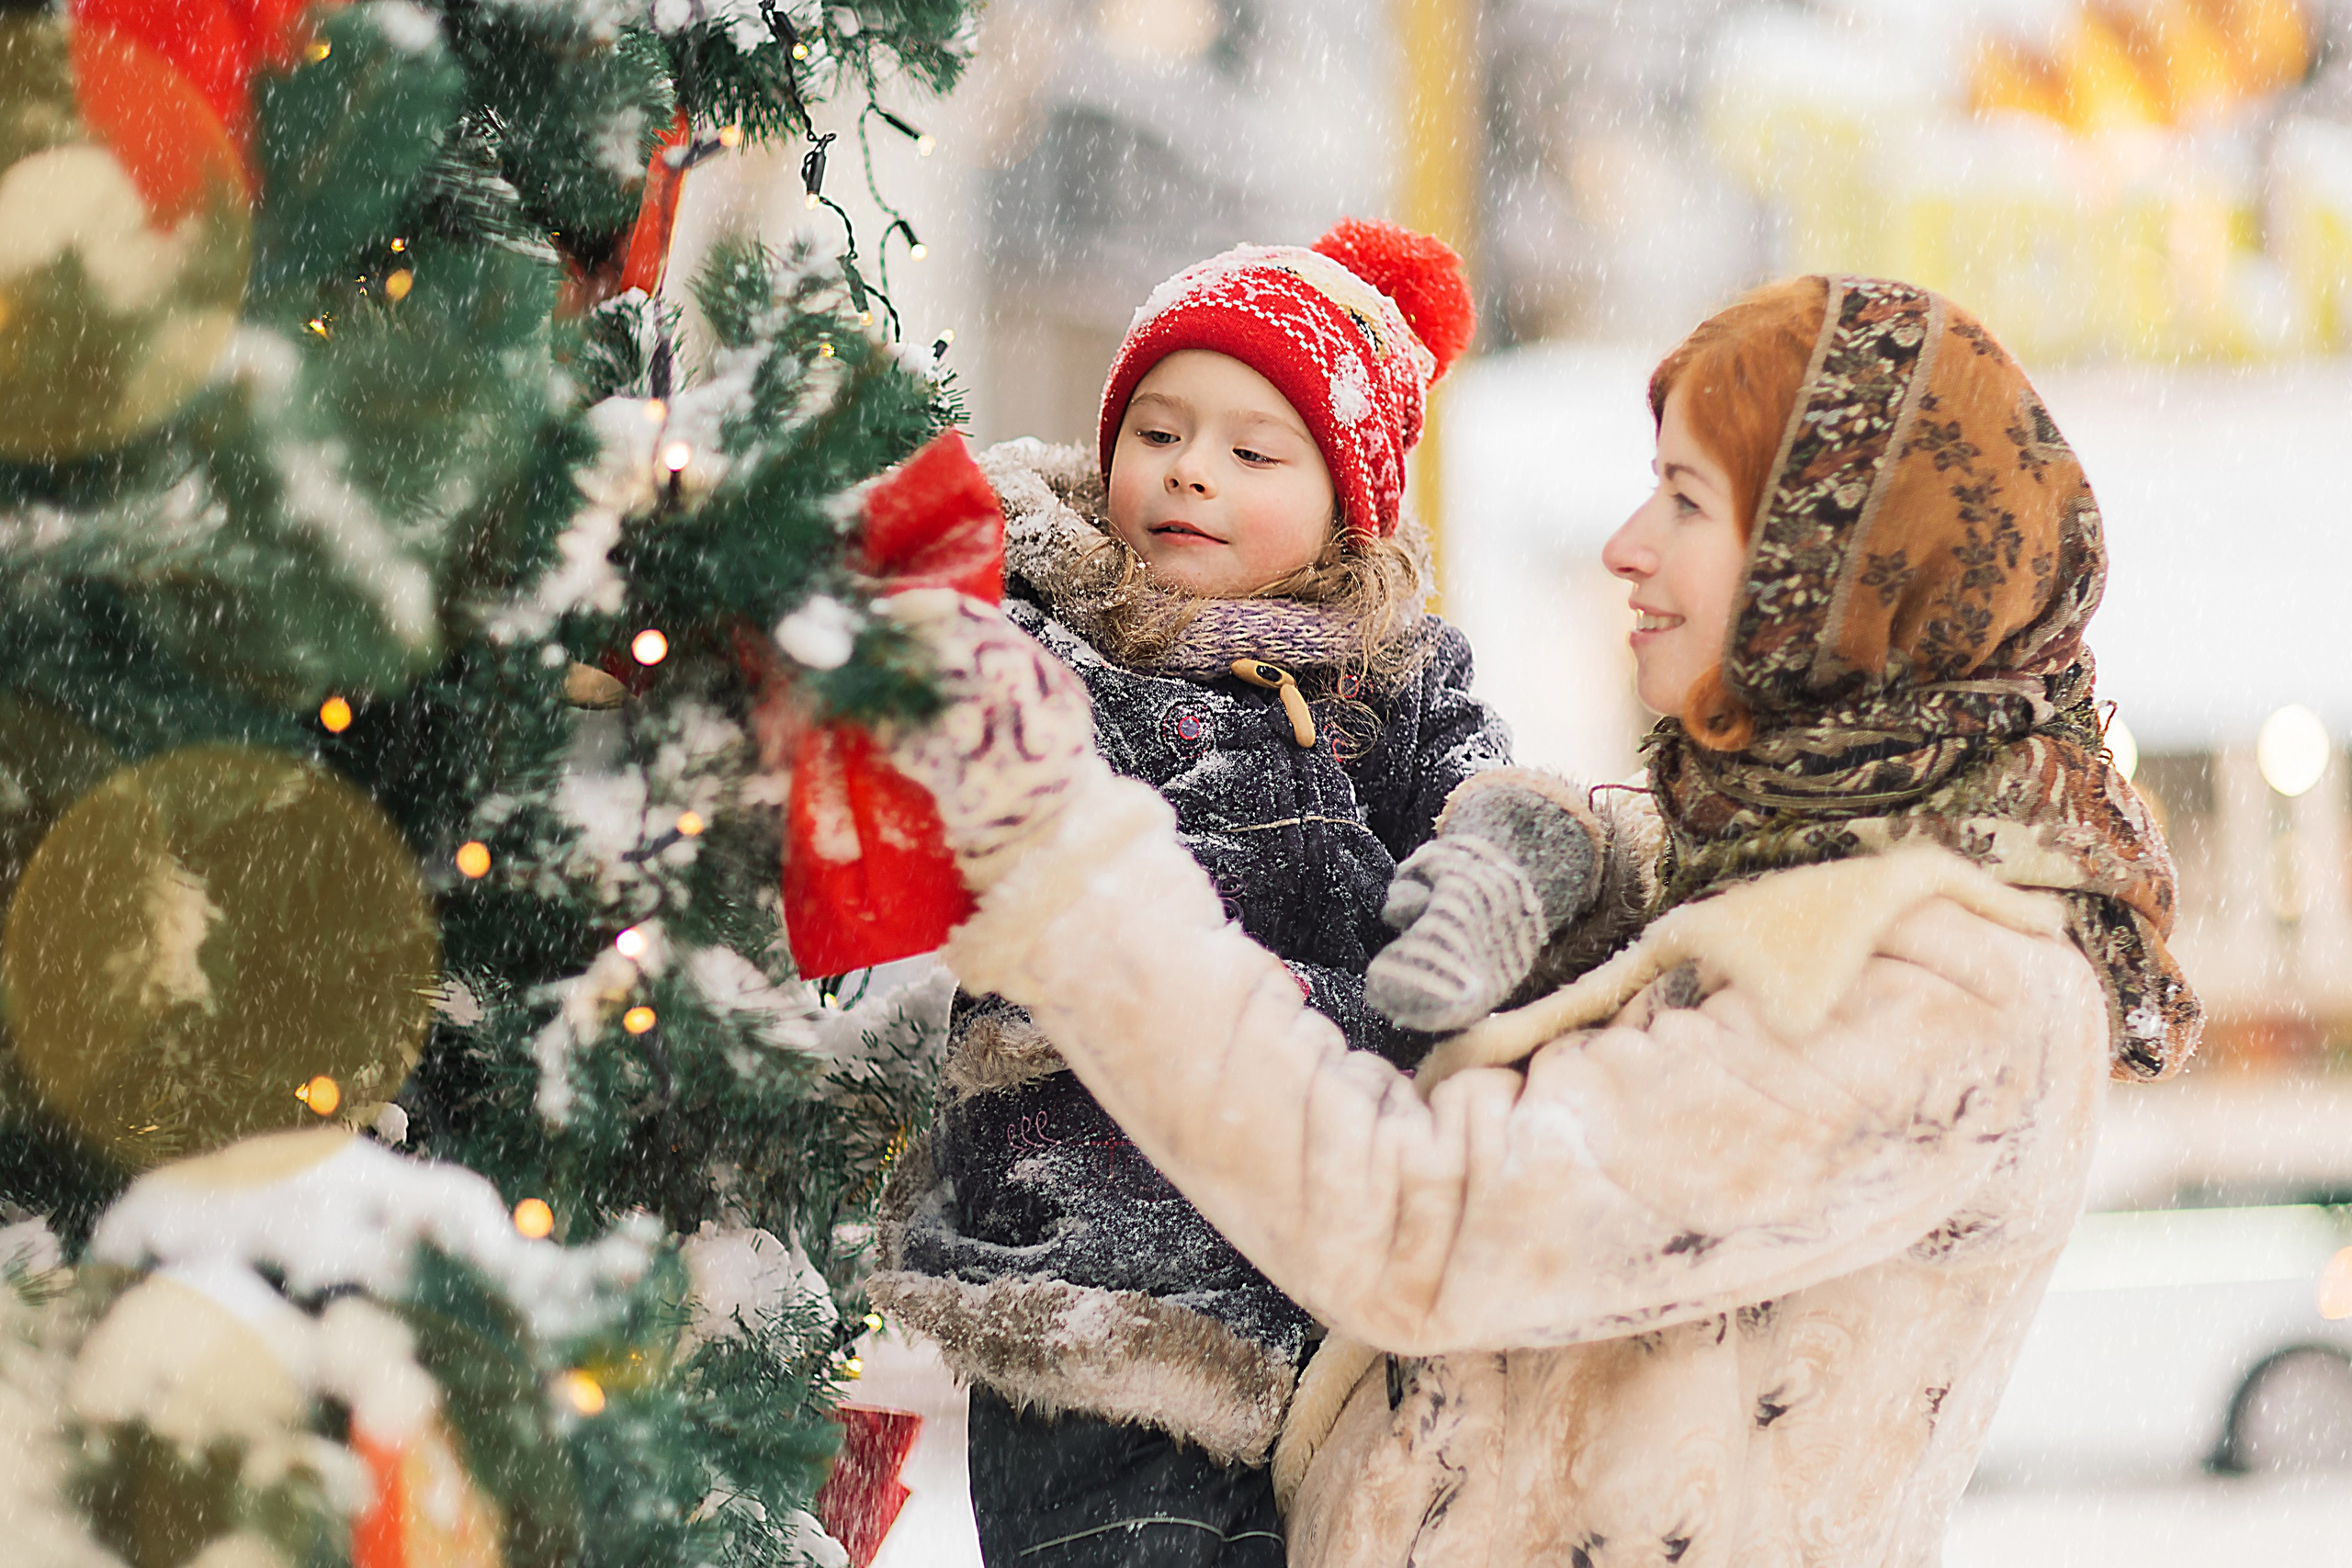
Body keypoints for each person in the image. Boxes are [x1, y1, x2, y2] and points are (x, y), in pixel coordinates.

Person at [876, 274, 2199, 1565]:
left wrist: (1065, 858)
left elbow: (1415, 1226)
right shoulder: (1775, 878)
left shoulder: (1933, 986)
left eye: (1684, 498)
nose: (1627, 543)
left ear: (1838, 570)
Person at [866, 220, 1619, 1566]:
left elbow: (1480, 811)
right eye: (1156, 432)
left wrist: (1496, 876)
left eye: (1253, 451)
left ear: (1348, 499)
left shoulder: (1397, 674)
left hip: (1327, 1312)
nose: (1189, 472)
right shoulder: (1049, 644)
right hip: (1099, 1304)